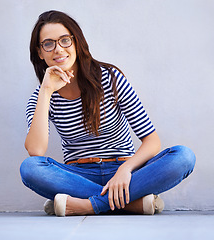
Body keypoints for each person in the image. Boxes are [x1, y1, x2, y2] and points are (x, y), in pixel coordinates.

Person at [20, 10, 196, 217]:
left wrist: (125, 170)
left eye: (65, 40)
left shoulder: (110, 79)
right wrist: (47, 90)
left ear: (77, 43)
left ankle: (87, 205)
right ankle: (130, 204)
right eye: (48, 44)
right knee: (30, 168)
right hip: (78, 176)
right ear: (40, 52)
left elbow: (152, 141)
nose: (58, 49)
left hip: (124, 171)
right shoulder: (41, 96)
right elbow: (36, 151)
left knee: (183, 157)